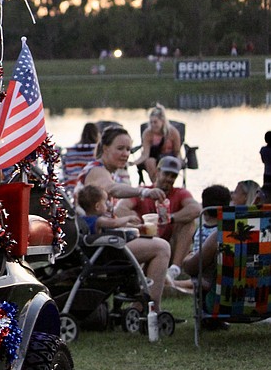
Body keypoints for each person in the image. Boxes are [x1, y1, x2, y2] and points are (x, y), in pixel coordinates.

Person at [75, 126, 171, 311]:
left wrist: (127, 221)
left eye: (128, 149)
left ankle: (139, 305)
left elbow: (102, 212)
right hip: (95, 247)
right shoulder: (96, 171)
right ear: (105, 149)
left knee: (145, 238)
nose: (125, 154)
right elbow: (112, 188)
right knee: (162, 247)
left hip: (100, 242)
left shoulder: (105, 170)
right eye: (120, 148)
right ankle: (151, 309)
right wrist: (145, 191)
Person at [115, 155, 202, 281]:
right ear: (157, 172)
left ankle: (174, 270)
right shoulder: (144, 192)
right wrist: (140, 223)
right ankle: (145, 272)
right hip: (148, 241)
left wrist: (170, 218)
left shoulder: (180, 193)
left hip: (171, 243)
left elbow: (196, 209)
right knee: (132, 219)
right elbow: (120, 209)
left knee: (189, 223)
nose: (169, 179)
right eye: (167, 174)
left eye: (173, 176)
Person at [182, 184, 234, 326]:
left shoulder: (201, 233)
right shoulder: (233, 232)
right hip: (232, 281)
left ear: (204, 209)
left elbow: (198, 263)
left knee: (199, 274)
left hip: (210, 283)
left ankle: (206, 315)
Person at [133, 103, 182, 183]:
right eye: (151, 122)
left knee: (169, 163)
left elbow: (177, 151)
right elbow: (145, 154)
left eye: (155, 122)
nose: (152, 125)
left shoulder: (172, 132)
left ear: (162, 121)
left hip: (169, 156)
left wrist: (179, 161)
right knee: (150, 161)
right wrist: (133, 163)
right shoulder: (147, 133)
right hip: (154, 157)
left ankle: (166, 184)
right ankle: (157, 184)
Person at [63, 122, 100, 190]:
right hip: (94, 187)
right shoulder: (98, 150)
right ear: (97, 134)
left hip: (73, 185)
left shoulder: (72, 150)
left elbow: (66, 171)